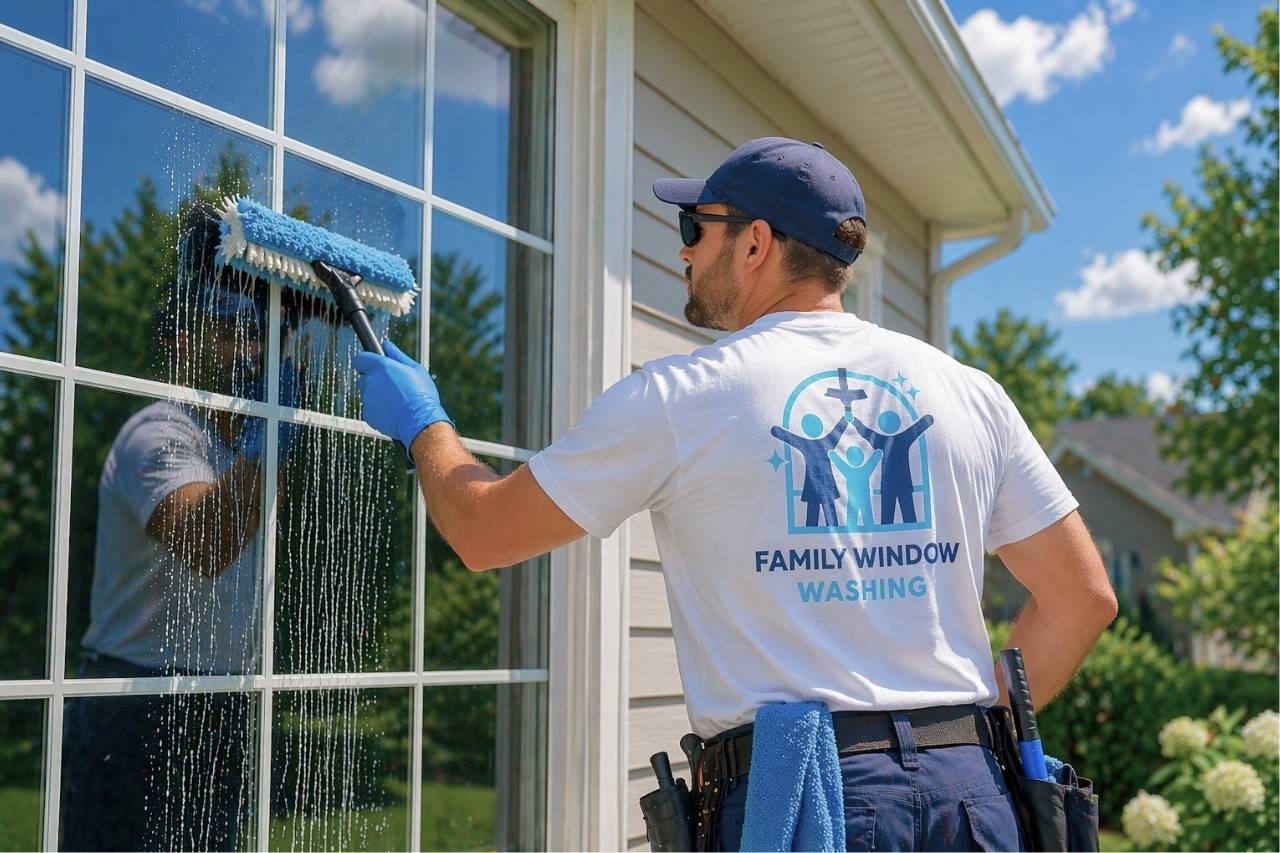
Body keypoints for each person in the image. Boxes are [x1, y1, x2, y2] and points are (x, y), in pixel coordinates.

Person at [351, 136, 1117, 850]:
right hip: (975, 799)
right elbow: (1082, 597)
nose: (684, 248)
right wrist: (963, 734)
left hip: (815, 805)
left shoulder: (683, 396)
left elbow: (484, 531)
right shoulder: (968, 392)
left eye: (697, 225)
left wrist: (425, 424)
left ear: (755, 243)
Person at [60, 276, 292, 852]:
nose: (253, 348)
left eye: (263, 334)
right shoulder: (159, 431)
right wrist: (270, 435)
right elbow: (209, 545)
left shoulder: (244, 447)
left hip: (218, 700)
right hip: (135, 700)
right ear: (182, 343)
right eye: (232, 331)